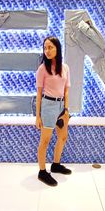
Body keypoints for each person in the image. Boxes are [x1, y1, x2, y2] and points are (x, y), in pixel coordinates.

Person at [35, 36, 71, 187]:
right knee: (45, 140)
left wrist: (66, 110)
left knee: (62, 138)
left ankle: (56, 165)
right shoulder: (42, 69)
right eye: (45, 48)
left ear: (57, 48)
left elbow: (66, 91)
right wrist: (37, 116)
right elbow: (38, 94)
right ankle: (42, 172)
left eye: (50, 47)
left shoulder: (65, 67)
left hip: (61, 106)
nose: (47, 51)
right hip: (48, 106)